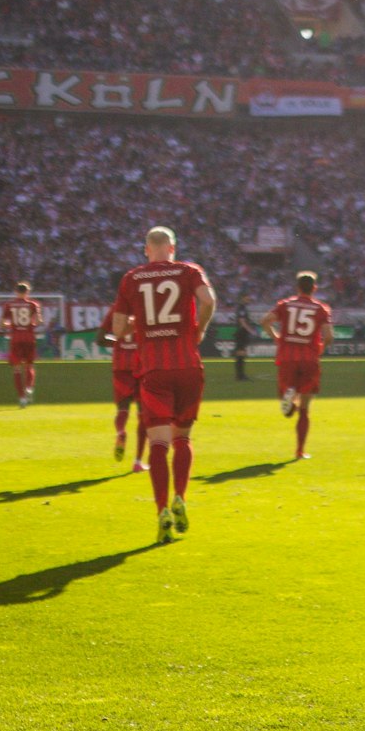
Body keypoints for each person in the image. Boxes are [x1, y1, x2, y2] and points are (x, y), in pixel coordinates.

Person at [109, 227, 216, 544]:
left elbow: (117, 328)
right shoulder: (188, 270)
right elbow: (208, 301)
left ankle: (160, 511)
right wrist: (199, 330)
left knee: (158, 442)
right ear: (172, 247)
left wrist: (133, 328)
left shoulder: (131, 278)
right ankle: (180, 496)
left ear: (146, 249)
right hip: (188, 366)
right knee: (182, 436)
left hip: (153, 368)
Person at [262, 271, 333, 459]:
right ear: (314, 288)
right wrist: (320, 347)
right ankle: (300, 450)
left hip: (287, 357)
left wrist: (277, 338)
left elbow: (265, 321)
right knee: (306, 408)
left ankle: (290, 399)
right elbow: (329, 336)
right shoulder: (320, 309)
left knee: (288, 400)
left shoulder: (285, 305)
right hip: (309, 359)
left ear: (297, 287)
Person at [103, 316, 146, 473]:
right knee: (143, 415)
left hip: (121, 366)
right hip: (140, 365)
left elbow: (101, 338)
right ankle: (137, 461)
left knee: (122, 410)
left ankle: (121, 432)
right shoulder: (144, 308)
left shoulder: (117, 313)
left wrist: (116, 342)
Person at [3, 282, 45, 406]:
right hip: (29, 337)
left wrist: (13, 325)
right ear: (28, 292)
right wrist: (30, 325)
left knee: (16, 368)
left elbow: (2, 324)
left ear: (16, 291)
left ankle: (22, 398)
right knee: (29, 365)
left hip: (16, 337)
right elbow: (39, 321)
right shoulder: (33, 304)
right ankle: (29, 388)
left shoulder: (9, 305)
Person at [232, 299, 254, 381]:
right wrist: (250, 330)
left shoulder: (242, 308)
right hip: (241, 333)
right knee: (240, 353)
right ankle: (240, 375)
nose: (249, 299)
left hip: (241, 333)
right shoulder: (242, 308)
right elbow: (242, 321)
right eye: (247, 297)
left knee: (241, 353)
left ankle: (240, 375)